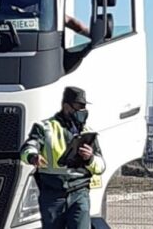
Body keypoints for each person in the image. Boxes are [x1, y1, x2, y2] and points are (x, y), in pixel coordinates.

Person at [19, 87, 105, 229]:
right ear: (66, 107)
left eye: (84, 107)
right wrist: (33, 157)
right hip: (53, 194)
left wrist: (89, 158)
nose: (82, 111)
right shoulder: (44, 127)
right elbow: (28, 147)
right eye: (79, 107)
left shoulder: (88, 132)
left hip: (79, 192)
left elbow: (101, 166)